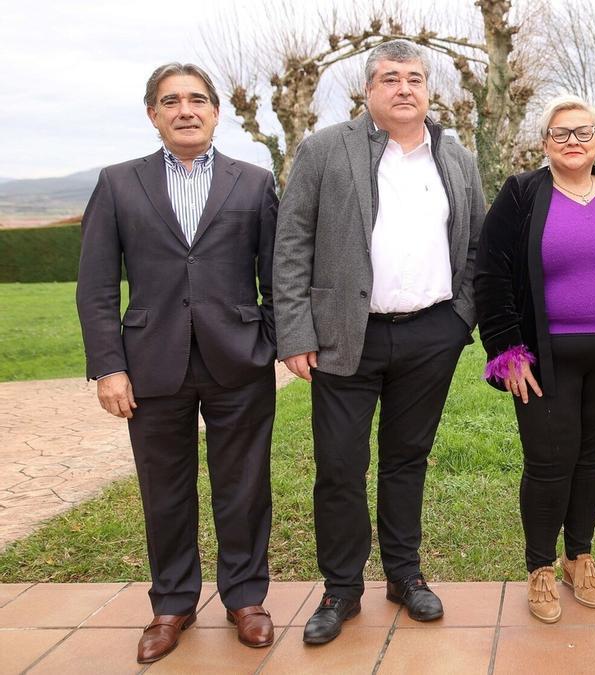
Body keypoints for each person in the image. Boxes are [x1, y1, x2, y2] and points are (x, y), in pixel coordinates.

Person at [273, 40, 484, 644]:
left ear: (428, 89)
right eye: (389, 78)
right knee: (340, 465)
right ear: (368, 90)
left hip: (430, 335)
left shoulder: (454, 156)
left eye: (414, 78)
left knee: (406, 460)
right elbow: (291, 247)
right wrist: (296, 332)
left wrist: (458, 321)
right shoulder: (323, 151)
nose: (403, 89)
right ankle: (341, 589)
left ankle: (404, 573)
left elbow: (474, 244)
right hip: (345, 337)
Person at [76, 62, 278, 663]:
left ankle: (245, 598)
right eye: (171, 101)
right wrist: (108, 365)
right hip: (149, 362)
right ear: (152, 113)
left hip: (238, 359)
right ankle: (172, 602)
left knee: (243, 487)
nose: (185, 110)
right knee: (164, 489)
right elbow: (95, 287)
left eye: (197, 99)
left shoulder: (254, 181)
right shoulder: (117, 183)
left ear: (216, 111)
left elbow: (278, 275)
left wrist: (271, 339)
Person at [474, 95, 595, 623]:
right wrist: (507, 349)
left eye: (583, 132)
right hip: (545, 358)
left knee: (590, 458)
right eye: (560, 133)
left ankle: (579, 557)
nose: (572, 142)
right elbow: (491, 272)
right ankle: (540, 568)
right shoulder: (523, 193)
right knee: (549, 463)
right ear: (544, 142)